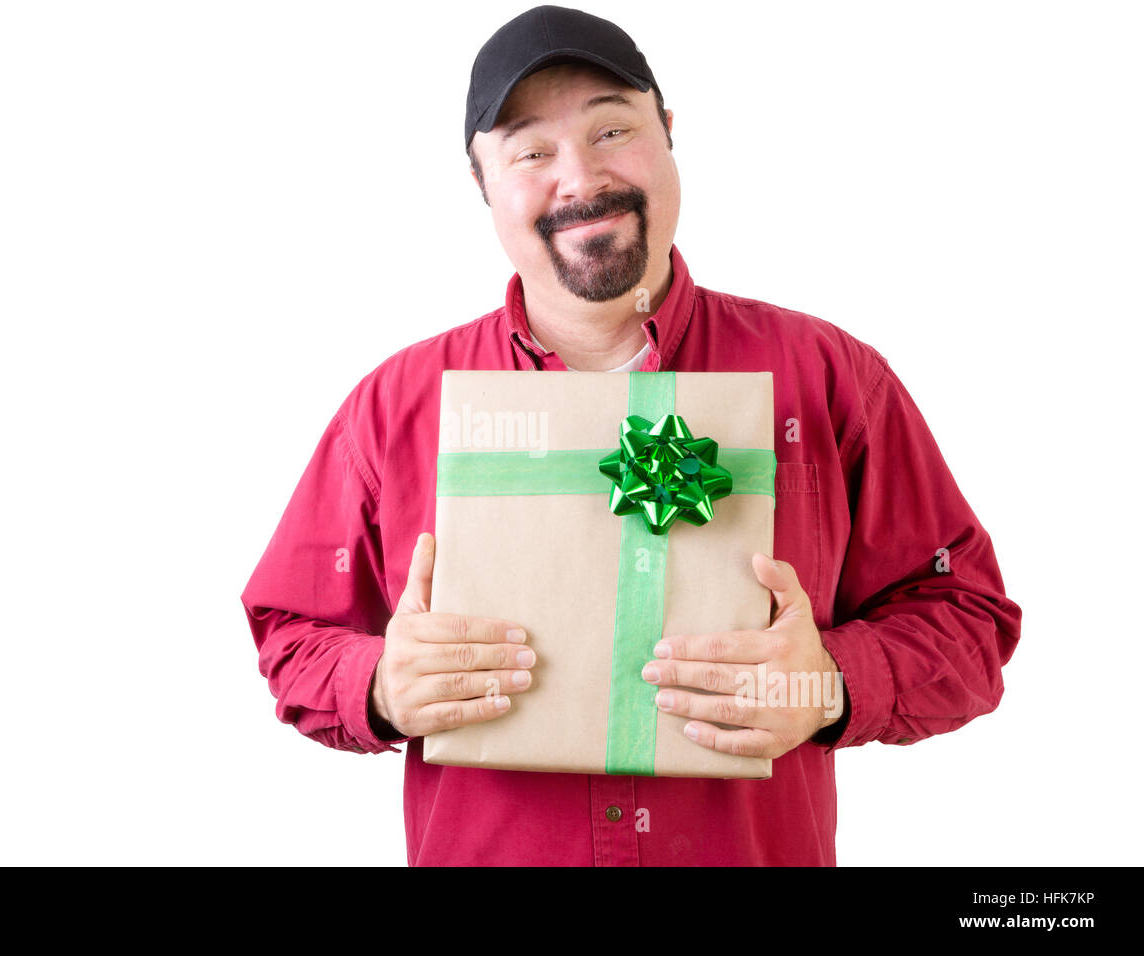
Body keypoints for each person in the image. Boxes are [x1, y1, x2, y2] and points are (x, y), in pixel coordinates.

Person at [240, 5, 1022, 866]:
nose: (579, 177)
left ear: (670, 133)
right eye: (531, 151)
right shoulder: (393, 406)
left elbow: (970, 617)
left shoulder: (831, 380)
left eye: (612, 128)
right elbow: (290, 631)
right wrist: (381, 684)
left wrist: (829, 683)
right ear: (481, 182)